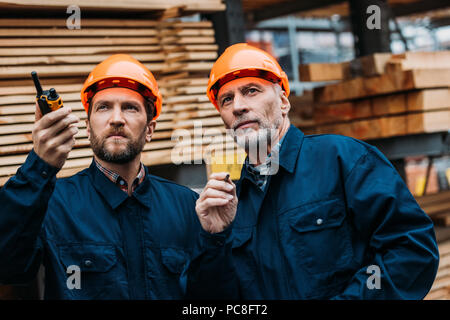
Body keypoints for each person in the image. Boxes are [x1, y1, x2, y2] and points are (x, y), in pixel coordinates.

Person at [195, 43, 440, 299]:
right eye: (227, 100)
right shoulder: (233, 204)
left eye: (251, 91)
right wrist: (215, 239)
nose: (238, 106)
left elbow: (411, 250)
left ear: (283, 102)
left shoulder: (343, 159)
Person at [0, 54, 236, 299]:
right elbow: (8, 267)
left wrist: (217, 239)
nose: (116, 119)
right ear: (88, 128)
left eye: (130, 108)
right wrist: (39, 167)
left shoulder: (187, 206)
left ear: (150, 130)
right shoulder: (52, 202)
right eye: (103, 107)